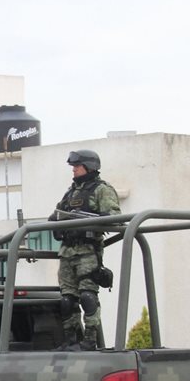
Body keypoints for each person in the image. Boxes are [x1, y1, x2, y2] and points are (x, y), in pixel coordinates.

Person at [48, 149, 120, 349]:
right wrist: (56, 223)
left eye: (77, 166)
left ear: (89, 167)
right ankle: (72, 339)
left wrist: (87, 222)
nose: (74, 170)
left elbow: (113, 218)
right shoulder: (70, 192)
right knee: (66, 300)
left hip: (87, 251)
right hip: (67, 252)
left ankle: (90, 339)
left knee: (88, 296)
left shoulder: (101, 190)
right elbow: (56, 214)